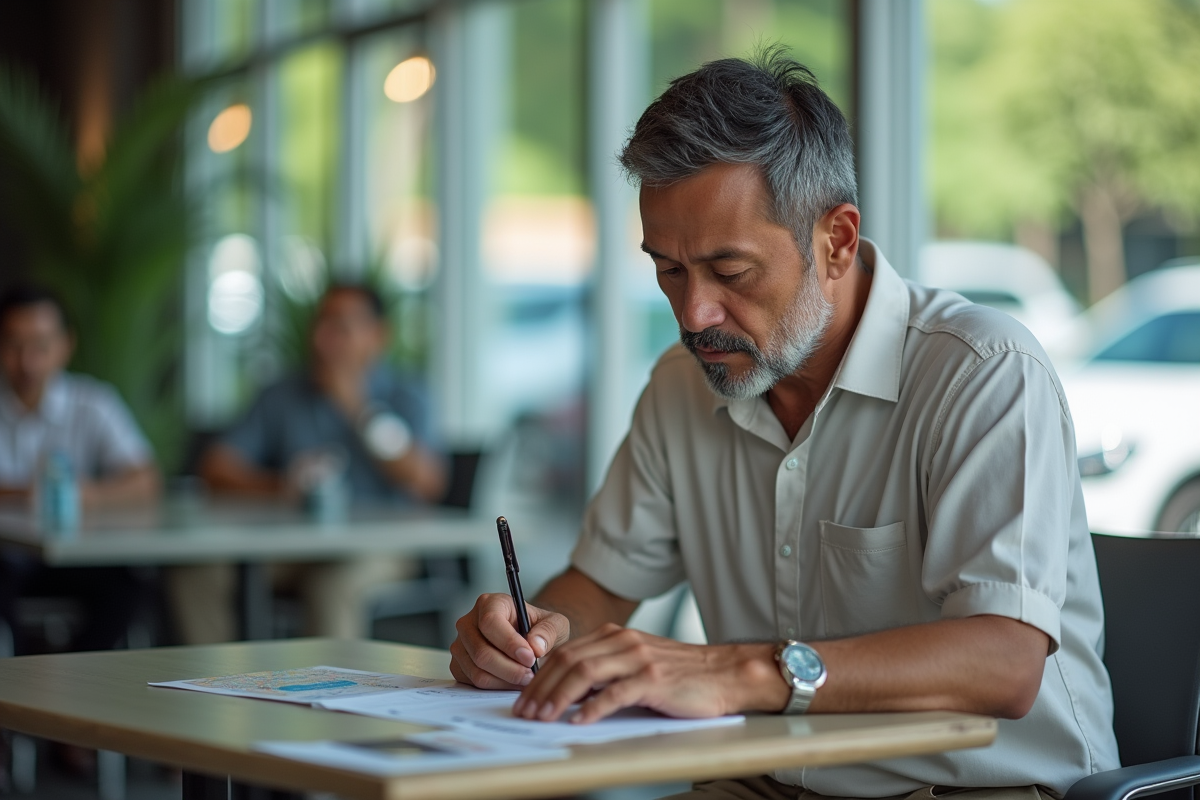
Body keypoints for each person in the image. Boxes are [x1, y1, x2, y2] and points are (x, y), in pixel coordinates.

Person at [449, 49, 1119, 800]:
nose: (694, 313)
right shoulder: (681, 386)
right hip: (768, 782)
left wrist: (728, 670)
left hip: (977, 790)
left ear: (835, 240)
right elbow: (600, 587)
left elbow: (1004, 662)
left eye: (730, 273)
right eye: (669, 270)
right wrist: (530, 633)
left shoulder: (984, 370)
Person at [168, 283, 447, 643]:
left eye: (341, 327)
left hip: (380, 547)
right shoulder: (283, 394)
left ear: (378, 336)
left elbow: (428, 481)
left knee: (333, 587)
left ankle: (324, 698)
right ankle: (219, 687)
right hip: (293, 544)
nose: (323, 338)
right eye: (320, 325)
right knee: (198, 575)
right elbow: (216, 468)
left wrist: (357, 408)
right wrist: (281, 487)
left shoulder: (406, 394)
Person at [0, 282, 160, 655]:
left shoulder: (93, 403)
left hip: (73, 558)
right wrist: (27, 492)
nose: (27, 361)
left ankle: (69, 677)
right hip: (6, 559)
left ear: (65, 345)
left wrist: (90, 494)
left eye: (40, 345)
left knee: (126, 585)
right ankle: (16, 689)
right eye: (13, 344)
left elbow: (146, 479)